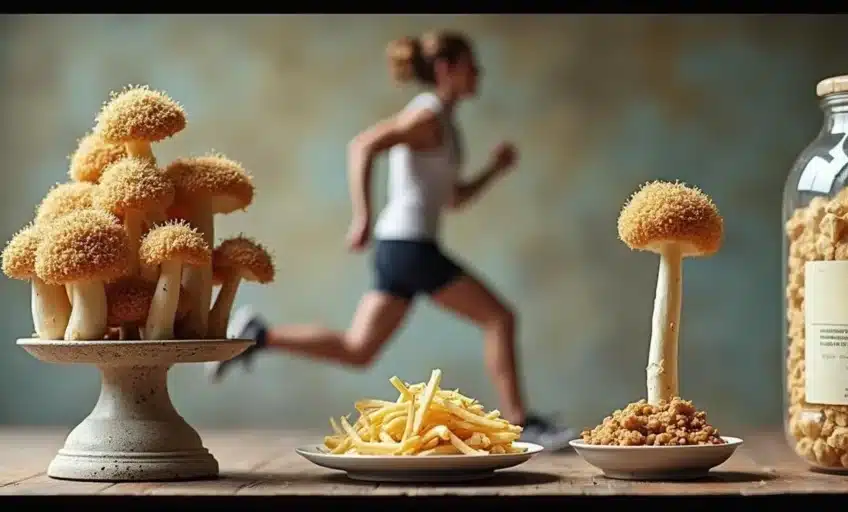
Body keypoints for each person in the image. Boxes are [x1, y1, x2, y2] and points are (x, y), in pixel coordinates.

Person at [209, 30, 575, 451]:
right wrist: (362, 214)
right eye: (472, 65)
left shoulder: (446, 126)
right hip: (409, 246)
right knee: (499, 319)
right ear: (445, 69)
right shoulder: (427, 116)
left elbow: (453, 199)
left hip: (401, 247)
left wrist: (494, 169)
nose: (479, 73)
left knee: (358, 349)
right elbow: (363, 145)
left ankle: (259, 336)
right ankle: (521, 423)